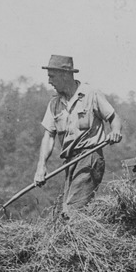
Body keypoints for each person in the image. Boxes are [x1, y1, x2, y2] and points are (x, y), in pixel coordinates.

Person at [34, 54, 123, 217]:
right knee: (64, 213)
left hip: (90, 157)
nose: (49, 82)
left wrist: (115, 131)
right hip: (69, 163)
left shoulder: (91, 94)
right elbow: (49, 136)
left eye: (52, 76)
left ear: (65, 74)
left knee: (72, 212)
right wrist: (41, 167)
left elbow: (113, 117)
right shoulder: (54, 104)